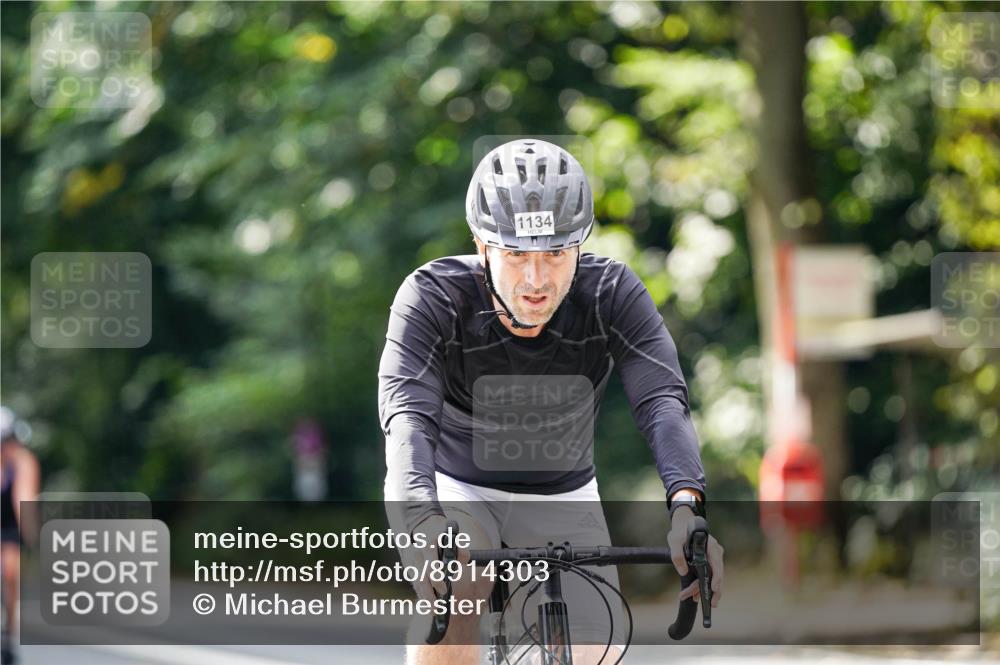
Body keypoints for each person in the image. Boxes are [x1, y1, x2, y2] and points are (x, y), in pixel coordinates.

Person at [379, 139, 724, 665]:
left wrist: (687, 508)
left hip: (563, 491)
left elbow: (661, 402)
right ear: (482, 246)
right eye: (516, 254)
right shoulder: (432, 298)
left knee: (594, 645)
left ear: (581, 247)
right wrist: (423, 524)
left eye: (557, 253)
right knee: (457, 588)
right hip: (459, 486)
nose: (537, 280)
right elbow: (408, 423)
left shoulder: (611, 293)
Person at [0, 407, 39, 665]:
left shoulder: (23, 461)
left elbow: (23, 500)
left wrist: (34, 538)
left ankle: (9, 633)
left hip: (9, 527)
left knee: (11, 572)